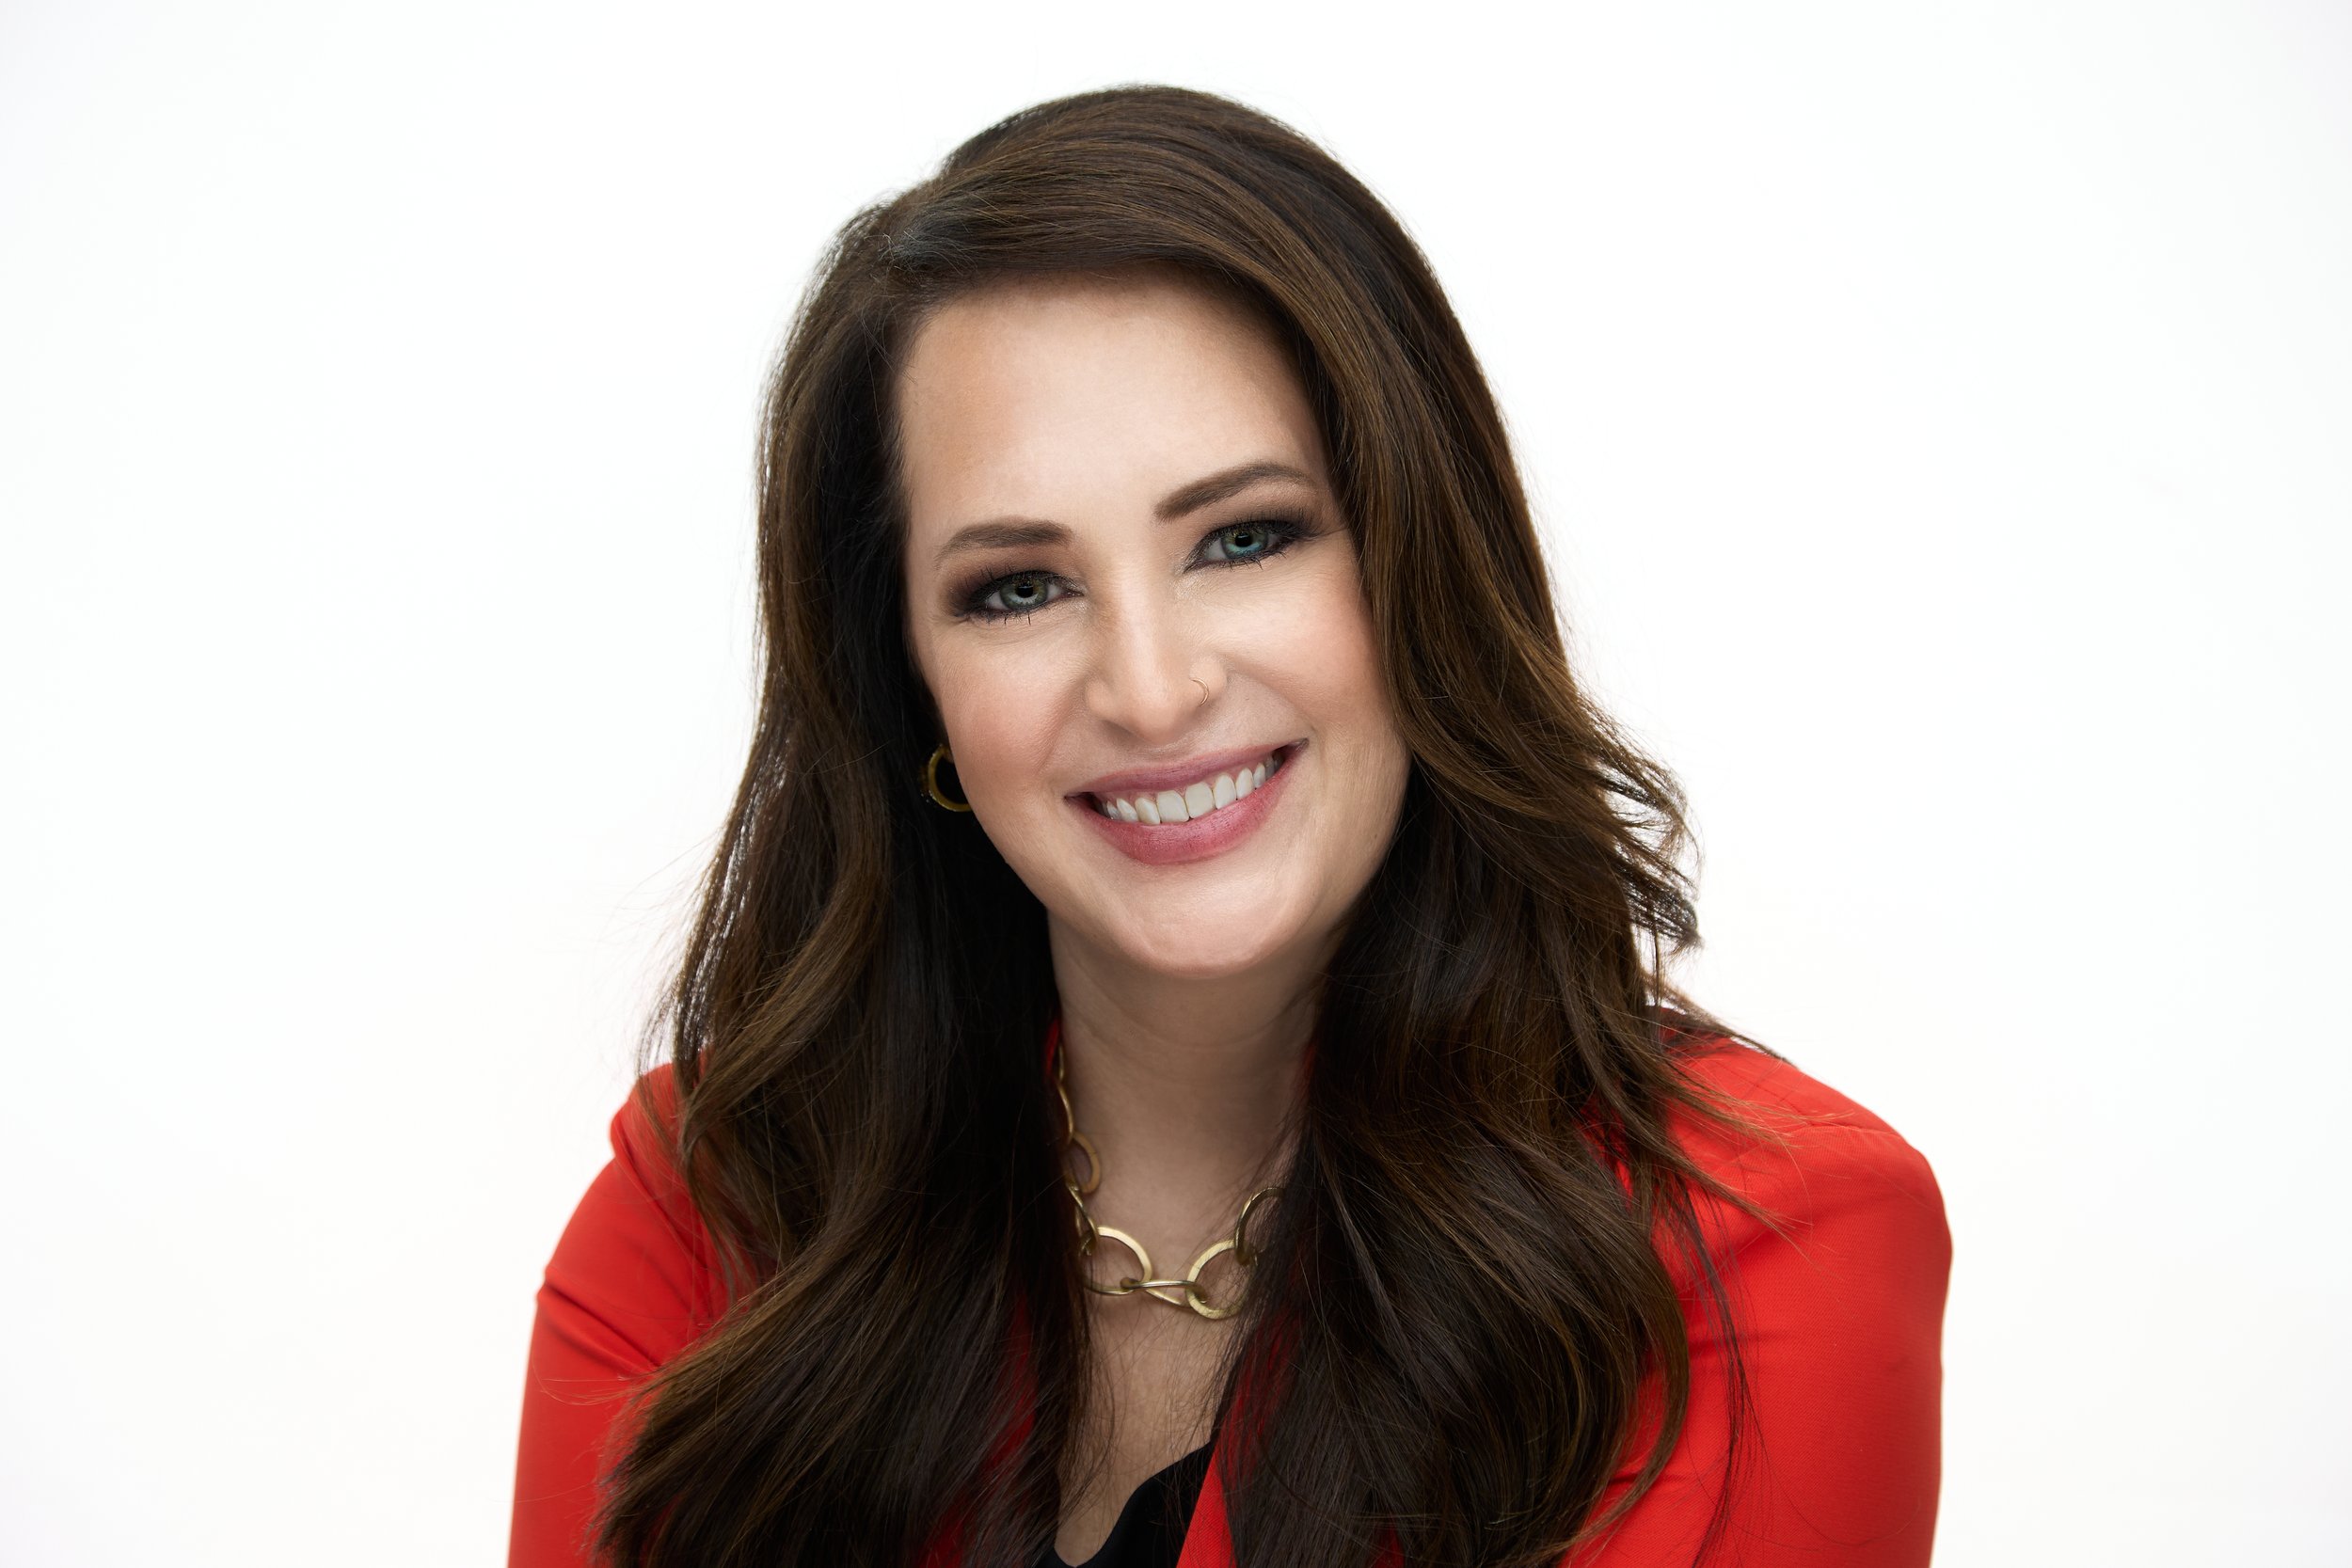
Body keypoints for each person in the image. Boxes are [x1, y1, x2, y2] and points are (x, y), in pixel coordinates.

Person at [507, 85, 1950, 1568]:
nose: (1150, 688)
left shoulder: (1768, 1251)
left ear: (1418, 568)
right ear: (911, 688)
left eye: (1244, 538)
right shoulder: (709, 1214)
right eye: (1018, 585)